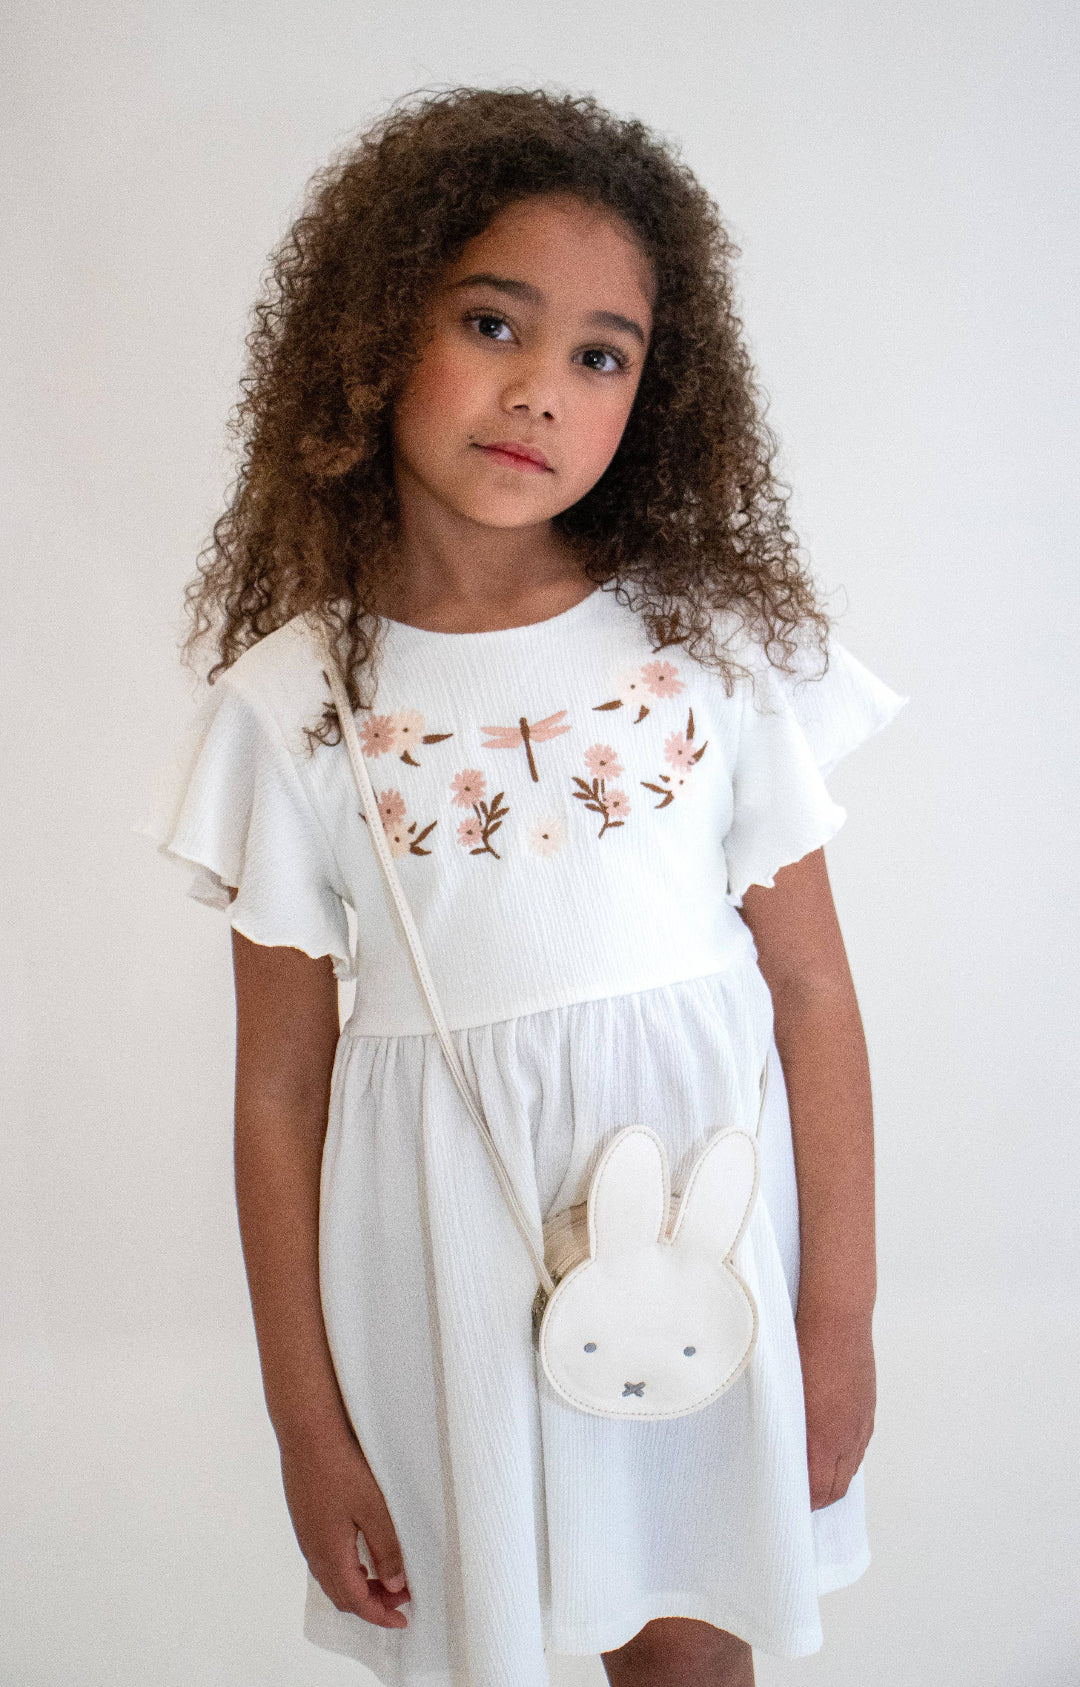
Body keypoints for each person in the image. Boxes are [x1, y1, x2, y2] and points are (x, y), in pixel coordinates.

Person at [141, 85, 907, 1687]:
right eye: (493, 323)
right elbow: (279, 1086)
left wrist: (838, 1321)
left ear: (655, 396)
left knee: (692, 1653)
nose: (538, 389)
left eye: (600, 355)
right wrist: (306, 1423)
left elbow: (813, 990)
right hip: (446, 1268)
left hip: (701, 1243)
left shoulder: (708, 654)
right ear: (374, 337)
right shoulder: (294, 709)